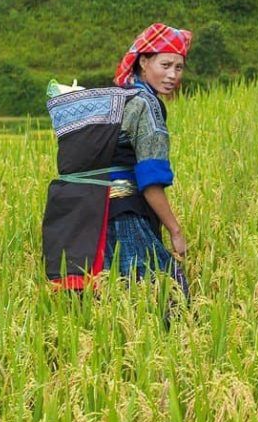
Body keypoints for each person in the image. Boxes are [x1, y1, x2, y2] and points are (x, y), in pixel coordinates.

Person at [42, 23, 192, 296]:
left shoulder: (119, 99)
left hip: (83, 221)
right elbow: (151, 180)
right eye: (166, 64)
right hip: (124, 220)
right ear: (144, 62)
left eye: (179, 67)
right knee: (165, 300)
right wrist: (176, 230)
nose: (172, 75)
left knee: (94, 309)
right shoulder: (145, 104)